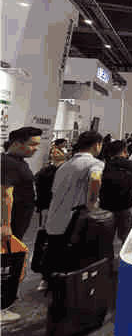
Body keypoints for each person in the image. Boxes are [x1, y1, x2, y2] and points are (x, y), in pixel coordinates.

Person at [44, 132, 104, 280]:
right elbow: (96, 179)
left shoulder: (64, 166)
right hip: (74, 220)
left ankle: (50, 282)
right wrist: (92, 203)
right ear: (97, 145)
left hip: (55, 218)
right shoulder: (95, 163)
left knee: (55, 256)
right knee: (74, 260)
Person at [1, 127, 42, 324]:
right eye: (32, 144)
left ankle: (5, 300)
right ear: (17, 143)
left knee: (10, 262)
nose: (36, 148)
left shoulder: (17, 162)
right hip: (10, 225)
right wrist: (5, 224)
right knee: (5, 264)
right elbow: (4, 195)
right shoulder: (8, 163)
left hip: (17, 224)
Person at [100, 140, 132, 245]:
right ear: (125, 151)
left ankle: (108, 254)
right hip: (125, 206)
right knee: (126, 238)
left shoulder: (103, 165)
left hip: (105, 207)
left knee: (106, 239)